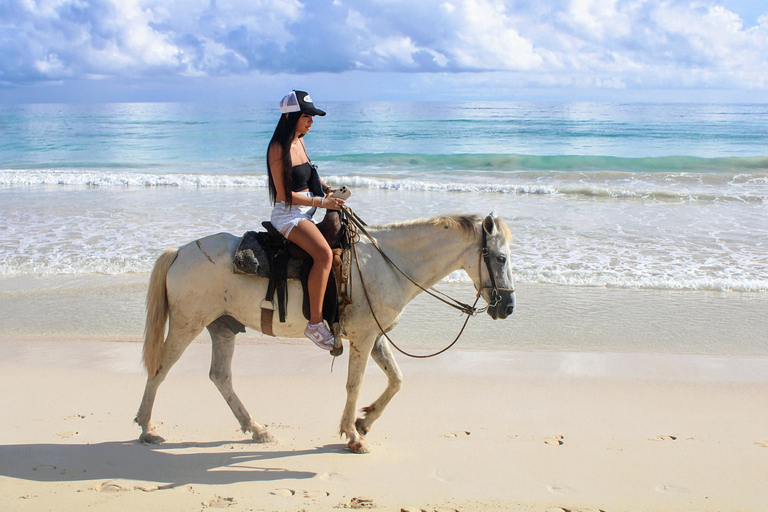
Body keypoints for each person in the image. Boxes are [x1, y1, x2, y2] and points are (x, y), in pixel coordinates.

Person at [267, 90, 346, 350]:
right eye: (307, 116)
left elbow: (308, 175)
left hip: (308, 210)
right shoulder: (278, 148)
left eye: (312, 116)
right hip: (288, 215)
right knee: (323, 255)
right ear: (290, 116)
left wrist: (327, 189)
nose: (311, 121)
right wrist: (322, 202)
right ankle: (314, 324)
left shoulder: (300, 140)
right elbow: (284, 195)